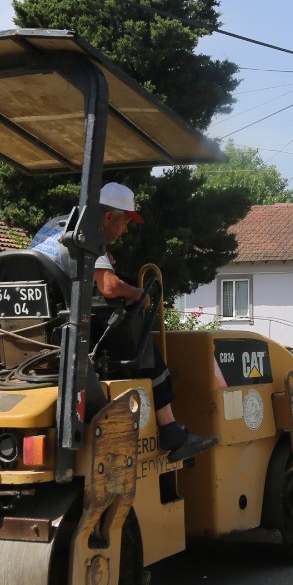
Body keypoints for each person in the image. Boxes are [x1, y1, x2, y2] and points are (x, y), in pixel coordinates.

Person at [31, 182, 217, 464]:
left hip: (32, 328)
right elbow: (108, 287)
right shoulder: (86, 235)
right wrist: (139, 294)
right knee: (136, 334)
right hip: (68, 331)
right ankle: (170, 428)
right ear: (109, 217)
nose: (126, 230)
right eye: (125, 221)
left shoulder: (55, 227)